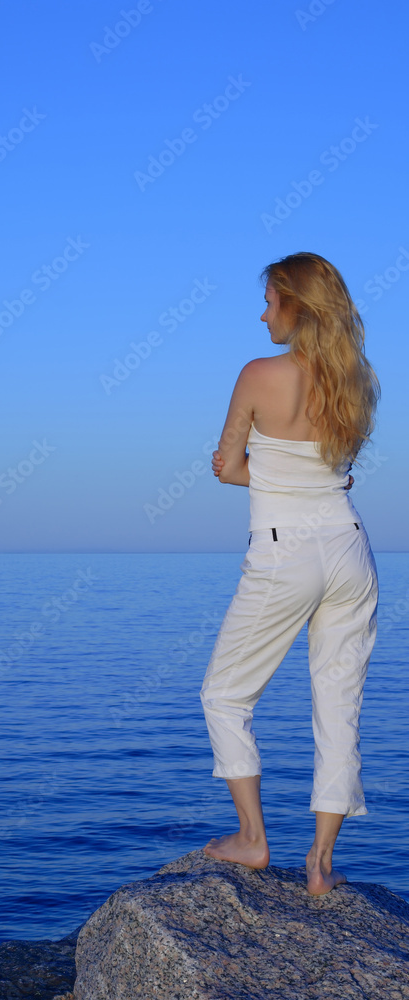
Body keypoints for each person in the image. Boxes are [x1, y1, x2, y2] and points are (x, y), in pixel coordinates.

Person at [199, 251, 380, 895]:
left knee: (224, 695)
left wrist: (246, 468)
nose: (262, 312)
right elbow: (339, 475)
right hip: (350, 548)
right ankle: (322, 864)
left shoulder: (257, 374)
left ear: (293, 304)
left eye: (270, 300)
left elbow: (226, 465)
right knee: (339, 705)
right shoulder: (355, 382)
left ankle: (251, 838)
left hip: (285, 551)